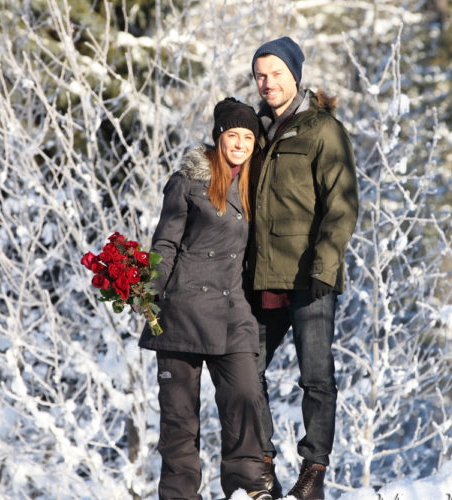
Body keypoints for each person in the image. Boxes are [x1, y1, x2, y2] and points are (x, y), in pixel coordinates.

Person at [139, 97, 272, 500]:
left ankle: (246, 489)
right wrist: (149, 292)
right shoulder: (188, 182)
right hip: (181, 312)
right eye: (233, 135)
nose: (241, 143)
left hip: (234, 314)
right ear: (219, 138)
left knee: (246, 396)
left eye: (248, 137)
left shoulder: (256, 184)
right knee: (180, 420)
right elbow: (166, 242)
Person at [247, 37, 359, 500]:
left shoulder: (322, 130)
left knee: (316, 377)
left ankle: (313, 470)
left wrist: (325, 266)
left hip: (311, 278)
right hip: (261, 276)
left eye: (275, 73)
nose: (267, 82)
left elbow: (343, 204)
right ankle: (263, 464)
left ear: (294, 74)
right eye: (260, 75)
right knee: (244, 373)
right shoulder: (253, 131)